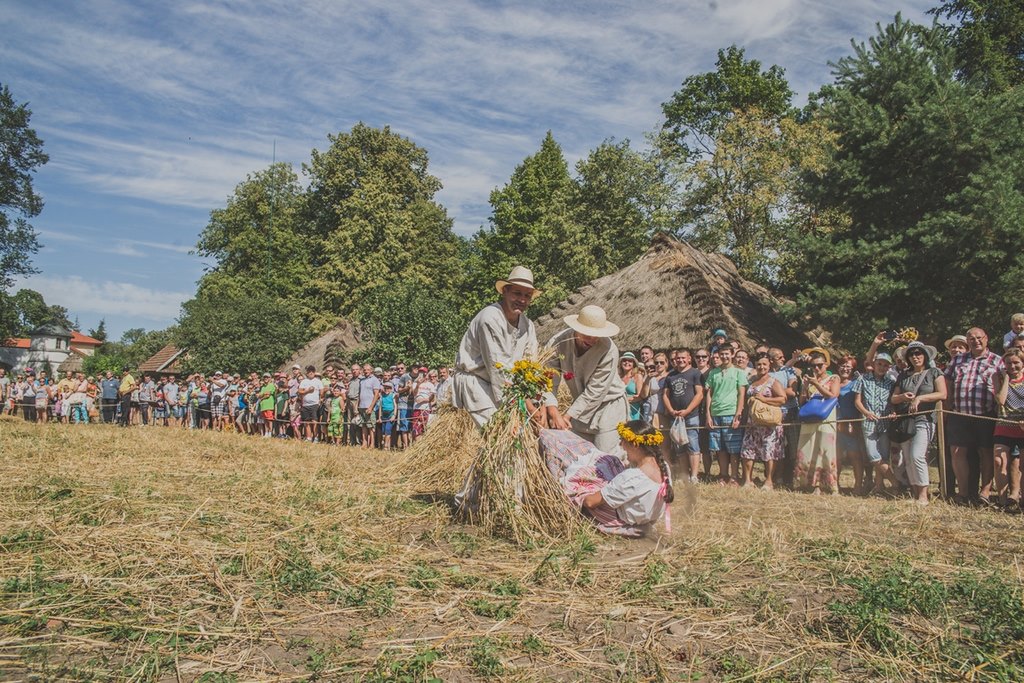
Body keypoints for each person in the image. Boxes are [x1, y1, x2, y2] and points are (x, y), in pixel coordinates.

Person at [540, 420, 672, 537]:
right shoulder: (664, 467)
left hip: (620, 516)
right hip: (643, 516)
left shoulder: (632, 478)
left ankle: (551, 440)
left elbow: (591, 502)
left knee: (581, 469)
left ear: (635, 445)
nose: (621, 445)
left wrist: (580, 495)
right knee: (607, 462)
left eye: (623, 441)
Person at [451, 266, 539, 427]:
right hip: (477, 383)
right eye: (517, 293)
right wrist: (527, 407)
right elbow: (498, 368)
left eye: (527, 295)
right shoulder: (490, 318)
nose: (522, 300)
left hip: (509, 387)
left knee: (523, 429)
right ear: (505, 291)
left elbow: (530, 363)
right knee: (499, 431)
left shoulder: (528, 326)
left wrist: (534, 400)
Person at [543, 305, 629, 454]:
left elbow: (596, 391)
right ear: (576, 328)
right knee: (578, 455)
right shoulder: (558, 342)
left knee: (606, 456)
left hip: (609, 407)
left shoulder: (609, 350)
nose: (593, 339)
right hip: (579, 407)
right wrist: (553, 410)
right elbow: (548, 379)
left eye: (597, 335)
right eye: (588, 334)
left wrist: (567, 416)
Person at [944, 327, 1002, 505]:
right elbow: (948, 382)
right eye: (971, 339)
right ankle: (963, 493)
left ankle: (985, 491)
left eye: (979, 338)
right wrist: (947, 407)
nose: (975, 341)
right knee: (957, 452)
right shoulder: (958, 360)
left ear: (986, 338)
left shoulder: (997, 360)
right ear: (968, 342)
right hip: (959, 413)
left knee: (986, 452)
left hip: (985, 414)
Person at [889, 342, 946, 505]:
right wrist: (902, 397)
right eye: (911, 354)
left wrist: (920, 398)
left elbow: (942, 394)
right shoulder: (903, 375)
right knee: (908, 458)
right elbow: (894, 398)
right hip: (905, 421)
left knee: (917, 456)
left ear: (925, 355)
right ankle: (915, 494)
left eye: (918, 353)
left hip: (925, 419)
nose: (915, 356)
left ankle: (923, 496)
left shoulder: (935, 372)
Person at [795, 349, 840, 494]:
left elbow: (834, 396)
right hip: (809, 419)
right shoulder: (809, 379)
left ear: (826, 365)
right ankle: (808, 484)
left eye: (820, 365)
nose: (817, 368)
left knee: (825, 452)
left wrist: (818, 385)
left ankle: (827, 485)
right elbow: (802, 402)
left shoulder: (834, 378)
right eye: (814, 366)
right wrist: (805, 387)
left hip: (826, 419)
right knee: (807, 450)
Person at [854, 352, 898, 496]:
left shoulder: (890, 382)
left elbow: (892, 402)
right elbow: (857, 401)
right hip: (868, 423)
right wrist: (866, 413)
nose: (882, 367)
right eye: (879, 364)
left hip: (884, 423)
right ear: (874, 364)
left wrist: (893, 411)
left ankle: (879, 487)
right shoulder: (863, 378)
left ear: (888, 367)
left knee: (884, 456)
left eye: (885, 365)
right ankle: (896, 482)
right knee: (873, 456)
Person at [740, 354, 786, 489]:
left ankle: (769, 481)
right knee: (748, 450)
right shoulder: (752, 381)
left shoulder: (773, 382)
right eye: (759, 364)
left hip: (768, 423)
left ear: (769, 365)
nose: (761, 367)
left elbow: (782, 399)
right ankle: (748, 480)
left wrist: (764, 399)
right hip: (753, 422)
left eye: (764, 364)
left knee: (769, 451)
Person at [704, 344, 747, 485]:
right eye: (722, 354)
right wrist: (708, 415)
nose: (724, 356)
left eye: (727, 353)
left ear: (732, 354)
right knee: (719, 447)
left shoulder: (738, 372)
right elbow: (709, 394)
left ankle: (734, 476)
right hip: (715, 413)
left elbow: (741, 394)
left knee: (733, 448)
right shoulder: (713, 372)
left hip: (731, 412)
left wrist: (738, 414)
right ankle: (723, 475)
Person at [662, 349, 704, 483]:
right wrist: (671, 410)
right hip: (675, 417)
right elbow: (665, 395)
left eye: (683, 358)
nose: (680, 360)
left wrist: (687, 410)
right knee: (679, 447)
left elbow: (699, 394)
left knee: (693, 445)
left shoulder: (695, 373)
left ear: (689, 359)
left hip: (691, 415)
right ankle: (684, 474)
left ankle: (694, 476)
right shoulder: (671, 376)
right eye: (678, 358)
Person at [992, 348, 1024, 510]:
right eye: (1008, 363)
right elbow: (1001, 400)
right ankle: (1003, 500)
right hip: (1003, 425)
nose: (1012, 366)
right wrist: (1006, 379)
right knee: (999, 461)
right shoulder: (997, 376)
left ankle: (1021, 500)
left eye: (1016, 363)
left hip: (1022, 427)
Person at [836, 356, 866, 494]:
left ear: (853, 369)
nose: (845, 369)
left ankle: (858, 486)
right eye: (842, 365)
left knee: (855, 456)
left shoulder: (855, 383)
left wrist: (854, 423)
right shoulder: (833, 382)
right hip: (834, 423)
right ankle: (835, 485)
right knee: (836, 457)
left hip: (851, 423)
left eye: (848, 366)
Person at [359, 363, 382, 448]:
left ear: (371, 370)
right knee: (364, 425)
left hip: (369, 406)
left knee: (371, 426)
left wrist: (371, 407)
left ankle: (372, 444)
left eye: (368, 370)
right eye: (364, 370)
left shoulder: (375, 380)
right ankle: (364, 443)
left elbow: (376, 394)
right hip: (362, 406)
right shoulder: (362, 380)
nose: (366, 371)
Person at [297, 365, 323, 442]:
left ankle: (316, 437)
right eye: (309, 371)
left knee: (315, 421)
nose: (311, 373)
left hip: (315, 404)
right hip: (305, 405)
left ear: (314, 372)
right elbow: (300, 391)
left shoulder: (318, 381)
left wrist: (320, 399)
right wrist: (307, 391)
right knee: (307, 422)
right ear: (307, 373)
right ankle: (308, 437)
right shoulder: (304, 381)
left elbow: (321, 392)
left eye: (312, 371)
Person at [619, 352, 644, 421]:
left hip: (633, 411)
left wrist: (624, 400)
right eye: (624, 360)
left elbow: (640, 397)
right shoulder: (618, 378)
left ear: (634, 364)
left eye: (630, 361)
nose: (627, 362)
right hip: (619, 411)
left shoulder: (637, 377)